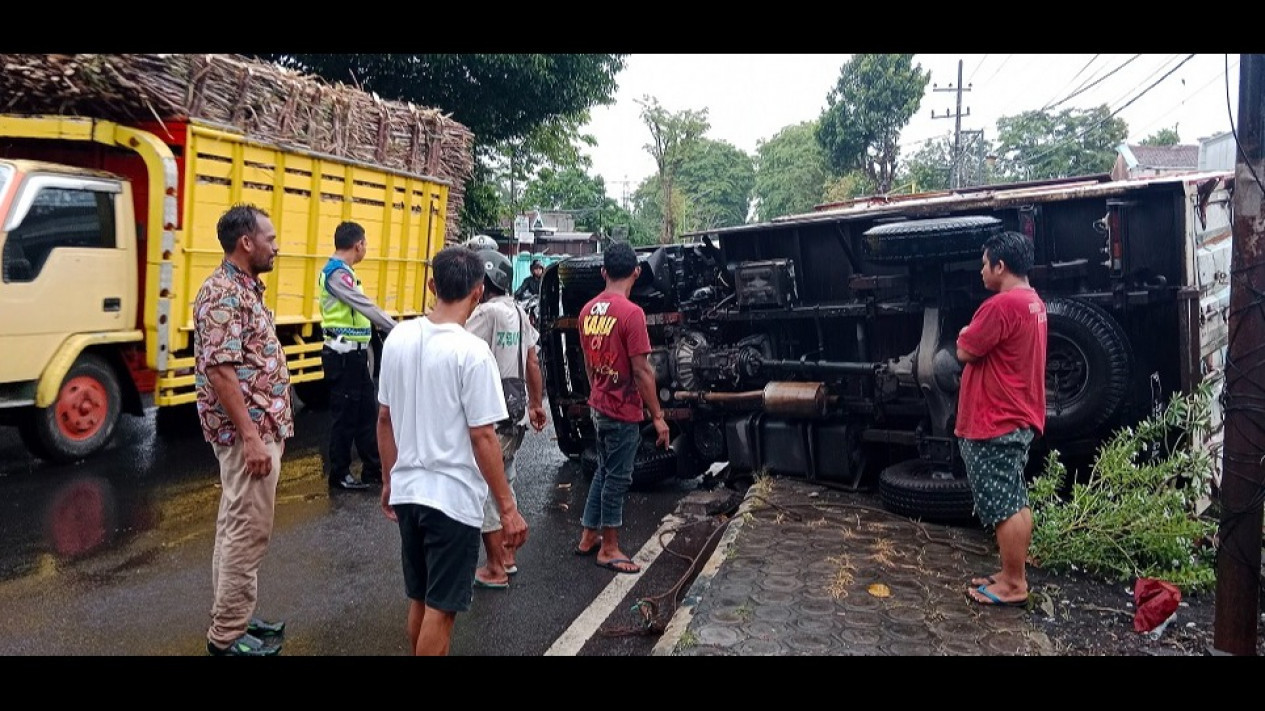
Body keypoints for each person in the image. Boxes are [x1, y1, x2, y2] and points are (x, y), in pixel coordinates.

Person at [375, 245, 529, 656]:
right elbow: (483, 437)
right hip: (452, 501)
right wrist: (508, 507)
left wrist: (389, 480)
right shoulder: (472, 353)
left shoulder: (398, 338)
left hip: (408, 493)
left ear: (431, 286)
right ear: (478, 292)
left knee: (421, 600)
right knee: (441, 611)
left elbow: (385, 419)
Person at [193, 203, 292, 656]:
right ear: (246, 243)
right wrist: (252, 436)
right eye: (270, 239)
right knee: (246, 530)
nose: (277, 246)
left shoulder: (244, 288)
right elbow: (220, 371)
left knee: (238, 525)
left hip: (256, 429)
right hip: (246, 436)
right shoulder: (223, 293)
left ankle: (235, 616)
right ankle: (228, 636)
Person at [955, 230, 1048, 608]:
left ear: (1001, 266)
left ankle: (1013, 583)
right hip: (1019, 415)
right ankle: (1012, 572)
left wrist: (965, 332)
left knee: (1003, 506)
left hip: (995, 419)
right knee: (1016, 499)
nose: (981, 271)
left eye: (984, 264)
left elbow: (965, 349)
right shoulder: (1033, 302)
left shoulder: (1000, 306)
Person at [573, 243, 670, 574]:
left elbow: (587, 363)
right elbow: (642, 371)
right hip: (621, 408)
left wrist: (596, 392)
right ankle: (609, 547)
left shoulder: (587, 311)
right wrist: (658, 417)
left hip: (599, 404)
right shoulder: (631, 314)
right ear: (636, 273)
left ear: (603, 273)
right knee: (617, 477)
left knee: (603, 469)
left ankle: (589, 536)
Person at [464, 249, 548, 589]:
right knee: (507, 481)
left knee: (487, 489)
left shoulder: (485, 314)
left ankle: (496, 567)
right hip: (516, 413)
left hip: (492, 416)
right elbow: (531, 362)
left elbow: (459, 348)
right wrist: (537, 403)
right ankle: (509, 558)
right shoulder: (518, 311)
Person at [318, 221, 397, 491]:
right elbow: (363, 306)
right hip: (342, 355)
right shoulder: (335, 274)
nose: (365, 249)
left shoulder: (345, 272)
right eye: (365, 245)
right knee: (346, 417)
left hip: (356, 355)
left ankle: (373, 469)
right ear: (358, 244)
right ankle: (339, 474)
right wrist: (395, 327)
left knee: (366, 414)